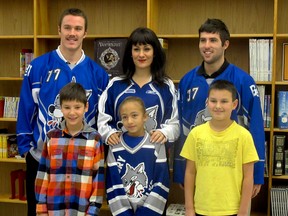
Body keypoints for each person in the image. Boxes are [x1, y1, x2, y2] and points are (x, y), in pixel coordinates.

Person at [16, 8, 109, 216]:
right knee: (41, 211)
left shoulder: (99, 74)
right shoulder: (38, 67)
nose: (72, 33)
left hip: (83, 163)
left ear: (85, 33)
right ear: (59, 30)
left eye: (78, 28)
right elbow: (25, 110)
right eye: (67, 27)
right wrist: (26, 150)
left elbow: (103, 118)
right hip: (43, 160)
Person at [173, 18, 265, 198]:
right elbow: (181, 129)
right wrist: (180, 169)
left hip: (233, 173)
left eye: (213, 40)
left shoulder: (243, 81)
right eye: (203, 40)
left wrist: (257, 173)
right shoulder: (186, 81)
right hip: (200, 173)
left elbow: (256, 128)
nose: (206, 45)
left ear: (225, 44)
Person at [181, 80, 259, 216]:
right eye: (213, 101)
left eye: (224, 101)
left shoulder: (244, 136)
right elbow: (190, 173)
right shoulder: (195, 134)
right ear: (207, 102)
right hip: (201, 209)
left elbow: (248, 177)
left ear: (234, 104)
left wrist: (243, 211)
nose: (218, 106)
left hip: (233, 210)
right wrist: (189, 208)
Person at [97, 27, 179, 146]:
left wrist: (164, 133)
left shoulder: (166, 86)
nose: (141, 54)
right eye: (136, 49)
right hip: (121, 156)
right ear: (130, 53)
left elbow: (174, 125)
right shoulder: (115, 85)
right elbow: (103, 120)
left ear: (155, 52)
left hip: (154, 157)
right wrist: (109, 134)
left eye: (146, 49)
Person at [35, 82, 105, 215]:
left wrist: (93, 210)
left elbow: (98, 179)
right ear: (60, 108)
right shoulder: (51, 137)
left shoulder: (94, 139)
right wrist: (41, 209)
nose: (72, 112)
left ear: (86, 107)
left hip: (82, 210)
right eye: (67, 107)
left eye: (77, 107)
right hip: (54, 210)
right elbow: (43, 175)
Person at [106, 96, 170, 215]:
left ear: (145, 117)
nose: (129, 121)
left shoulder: (156, 144)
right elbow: (113, 183)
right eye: (125, 117)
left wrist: (147, 212)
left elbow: (161, 182)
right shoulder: (115, 145)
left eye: (134, 115)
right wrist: (123, 213)